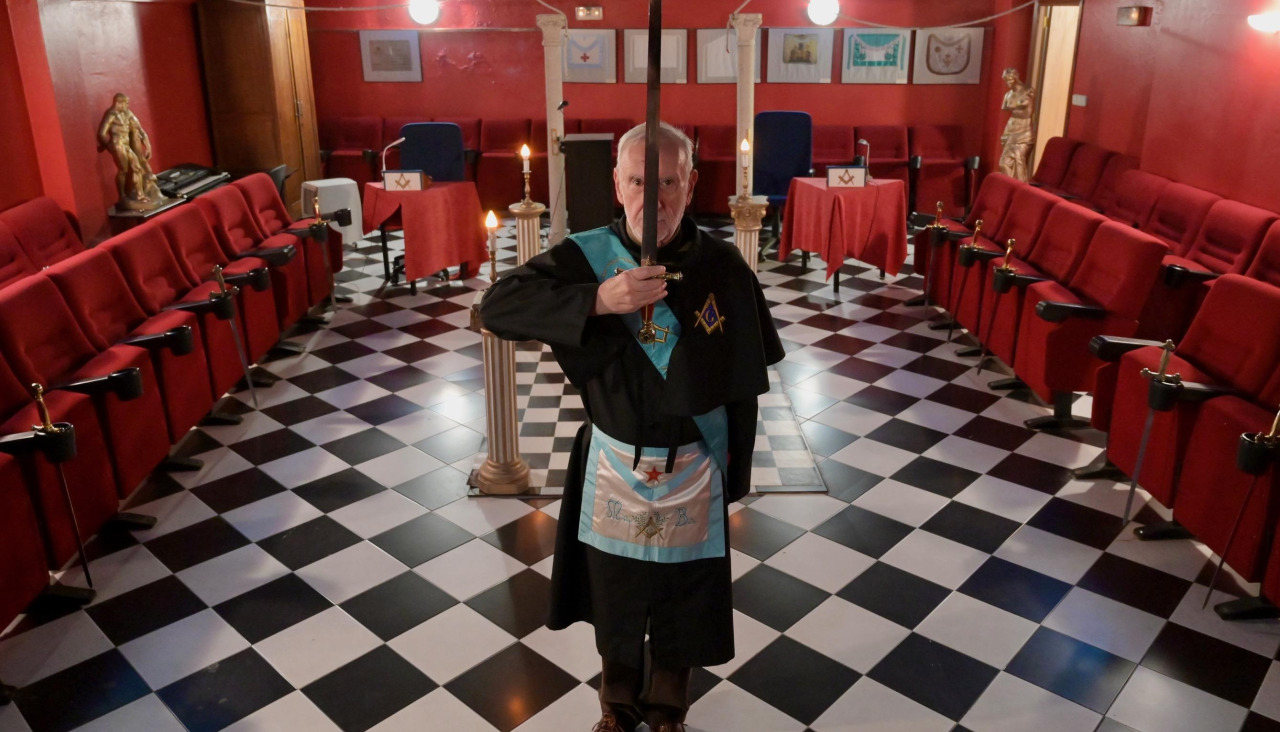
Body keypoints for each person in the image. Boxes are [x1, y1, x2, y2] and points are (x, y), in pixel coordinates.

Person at [480, 122, 784, 732]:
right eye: (640, 180)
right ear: (618, 185)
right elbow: (497, 306)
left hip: (696, 466)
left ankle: (669, 706)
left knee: (684, 594)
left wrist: (739, 473)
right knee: (613, 591)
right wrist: (599, 300)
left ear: (691, 184)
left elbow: (742, 387)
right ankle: (616, 706)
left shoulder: (723, 267)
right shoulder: (588, 258)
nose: (656, 197)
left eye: (669, 181)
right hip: (614, 462)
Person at [98, 93, 165, 209]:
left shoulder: (127, 113)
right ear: (118, 103)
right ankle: (122, 196)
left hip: (126, 145)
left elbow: (140, 130)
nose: (127, 105)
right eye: (126, 103)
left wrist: (148, 146)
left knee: (137, 167)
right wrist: (110, 147)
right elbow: (102, 133)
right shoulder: (111, 115)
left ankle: (140, 195)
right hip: (118, 145)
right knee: (123, 170)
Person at [998, 67, 1035, 181]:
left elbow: (1027, 110)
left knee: (1017, 161)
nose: (1007, 83)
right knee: (1005, 163)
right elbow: (1005, 107)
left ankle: (1020, 190)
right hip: (1010, 129)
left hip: (1024, 129)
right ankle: (1011, 187)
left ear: (1015, 78)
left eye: (1009, 79)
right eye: (1005, 80)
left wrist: (1014, 107)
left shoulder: (1028, 91)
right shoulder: (1008, 94)